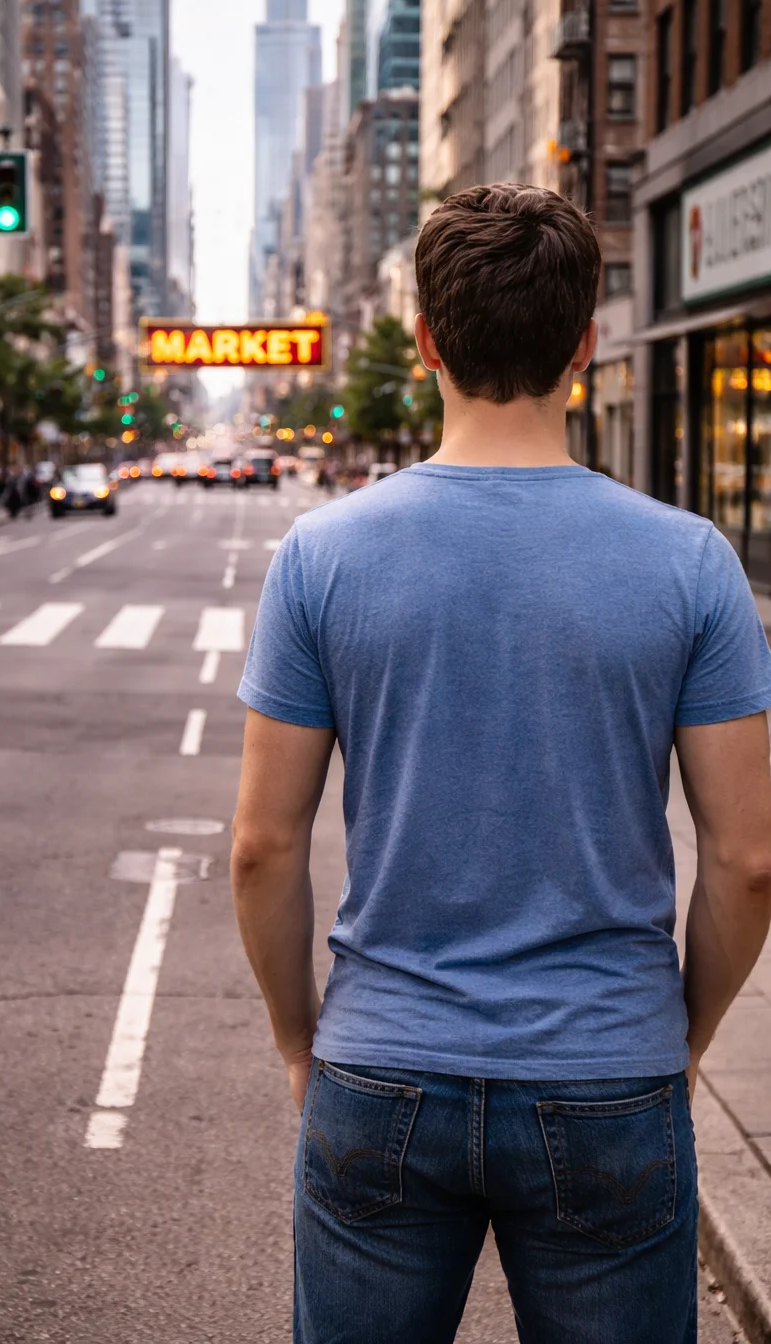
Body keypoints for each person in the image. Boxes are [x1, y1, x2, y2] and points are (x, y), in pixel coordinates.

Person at [231, 184, 771, 1344]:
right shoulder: (690, 563)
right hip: (607, 1070)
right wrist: (676, 1047)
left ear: (425, 339)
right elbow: (747, 859)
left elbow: (261, 847)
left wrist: (297, 1042)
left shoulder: (321, 556)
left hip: (379, 1065)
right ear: (584, 345)